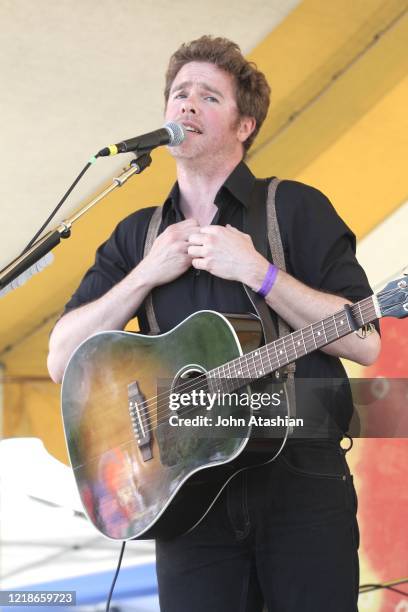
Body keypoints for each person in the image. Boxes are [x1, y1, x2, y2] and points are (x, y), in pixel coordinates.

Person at [48, 36, 381, 611]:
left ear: (245, 124)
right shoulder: (139, 235)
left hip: (300, 479)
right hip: (185, 492)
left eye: (208, 97)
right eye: (180, 95)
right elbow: (60, 359)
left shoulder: (295, 208)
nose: (187, 106)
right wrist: (144, 275)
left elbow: (366, 342)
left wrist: (260, 272)